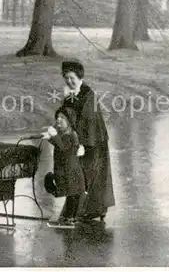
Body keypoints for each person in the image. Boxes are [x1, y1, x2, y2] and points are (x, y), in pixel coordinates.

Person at [59, 60, 115, 222]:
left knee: (92, 174)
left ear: (79, 77)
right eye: (66, 78)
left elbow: (88, 120)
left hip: (94, 141)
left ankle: (94, 209)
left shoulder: (88, 95)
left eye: (72, 78)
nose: (69, 81)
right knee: (80, 174)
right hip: (80, 140)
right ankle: (82, 210)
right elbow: (66, 116)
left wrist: (82, 144)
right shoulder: (70, 94)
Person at [42, 106, 86, 226]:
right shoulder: (68, 134)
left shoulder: (70, 135)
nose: (58, 120)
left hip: (69, 171)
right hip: (68, 170)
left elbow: (62, 147)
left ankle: (67, 218)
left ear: (70, 121)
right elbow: (59, 144)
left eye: (62, 117)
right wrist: (50, 138)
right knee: (72, 195)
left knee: (70, 194)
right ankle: (69, 217)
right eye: (58, 117)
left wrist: (54, 135)